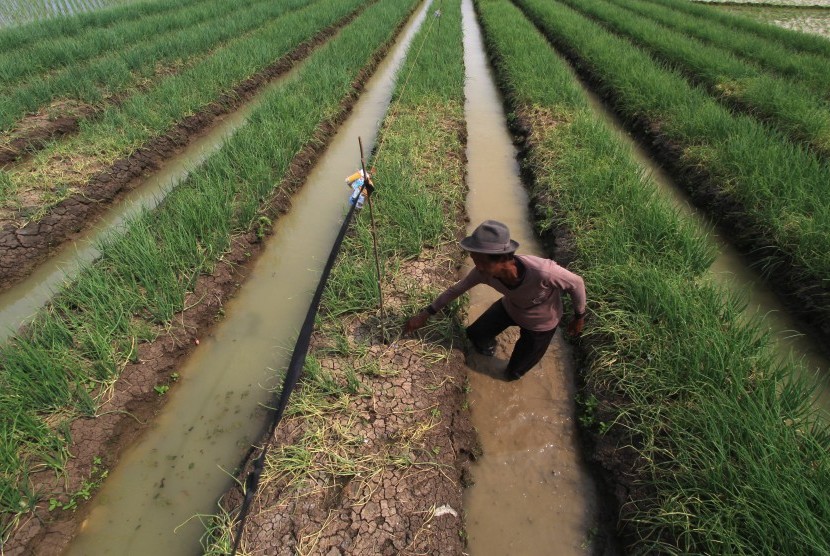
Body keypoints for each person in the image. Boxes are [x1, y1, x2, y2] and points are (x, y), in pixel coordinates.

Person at [404, 220, 586, 381]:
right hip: (511, 308)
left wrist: (579, 317)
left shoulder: (543, 272)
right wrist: (425, 314)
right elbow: (456, 290)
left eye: (484, 262)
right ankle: (490, 347)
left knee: (514, 372)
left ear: (506, 258)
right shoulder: (482, 273)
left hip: (541, 324)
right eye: (475, 260)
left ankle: (516, 367)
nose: (479, 267)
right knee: (475, 335)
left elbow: (577, 283)